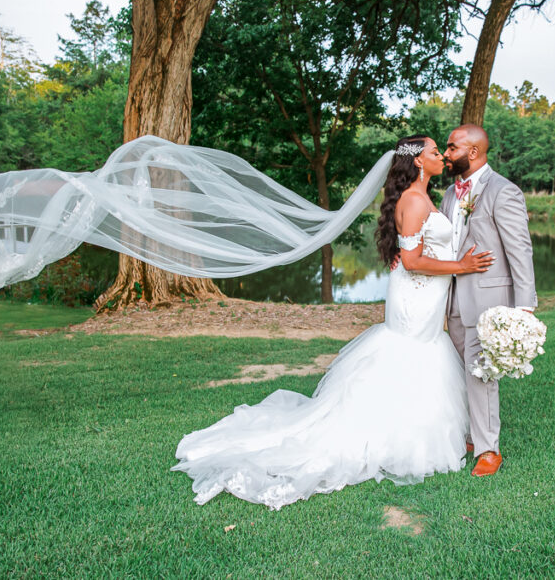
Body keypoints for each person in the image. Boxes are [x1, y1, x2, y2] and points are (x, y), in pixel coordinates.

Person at [171, 135, 495, 509]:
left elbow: (417, 248)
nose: (441, 157)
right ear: (419, 162)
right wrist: (462, 266)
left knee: (422, 354)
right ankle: (392, 435)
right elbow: (411, 261)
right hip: (416, 295)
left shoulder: (422, 198)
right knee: (409, 354)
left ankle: (409, 428)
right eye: (435, 152)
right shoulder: (414, 199)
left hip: (425, 296)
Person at [441, 124, 537, 477]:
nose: (447, 154)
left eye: (452, 148)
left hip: (488, 299)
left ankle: (487, 450)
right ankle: (469, 434)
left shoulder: (503, 191)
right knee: (460, 372)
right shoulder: (450, 194)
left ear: (474, 152)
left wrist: (524, 306)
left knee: (482, 374)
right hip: (451, 299)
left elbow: (520, 249)